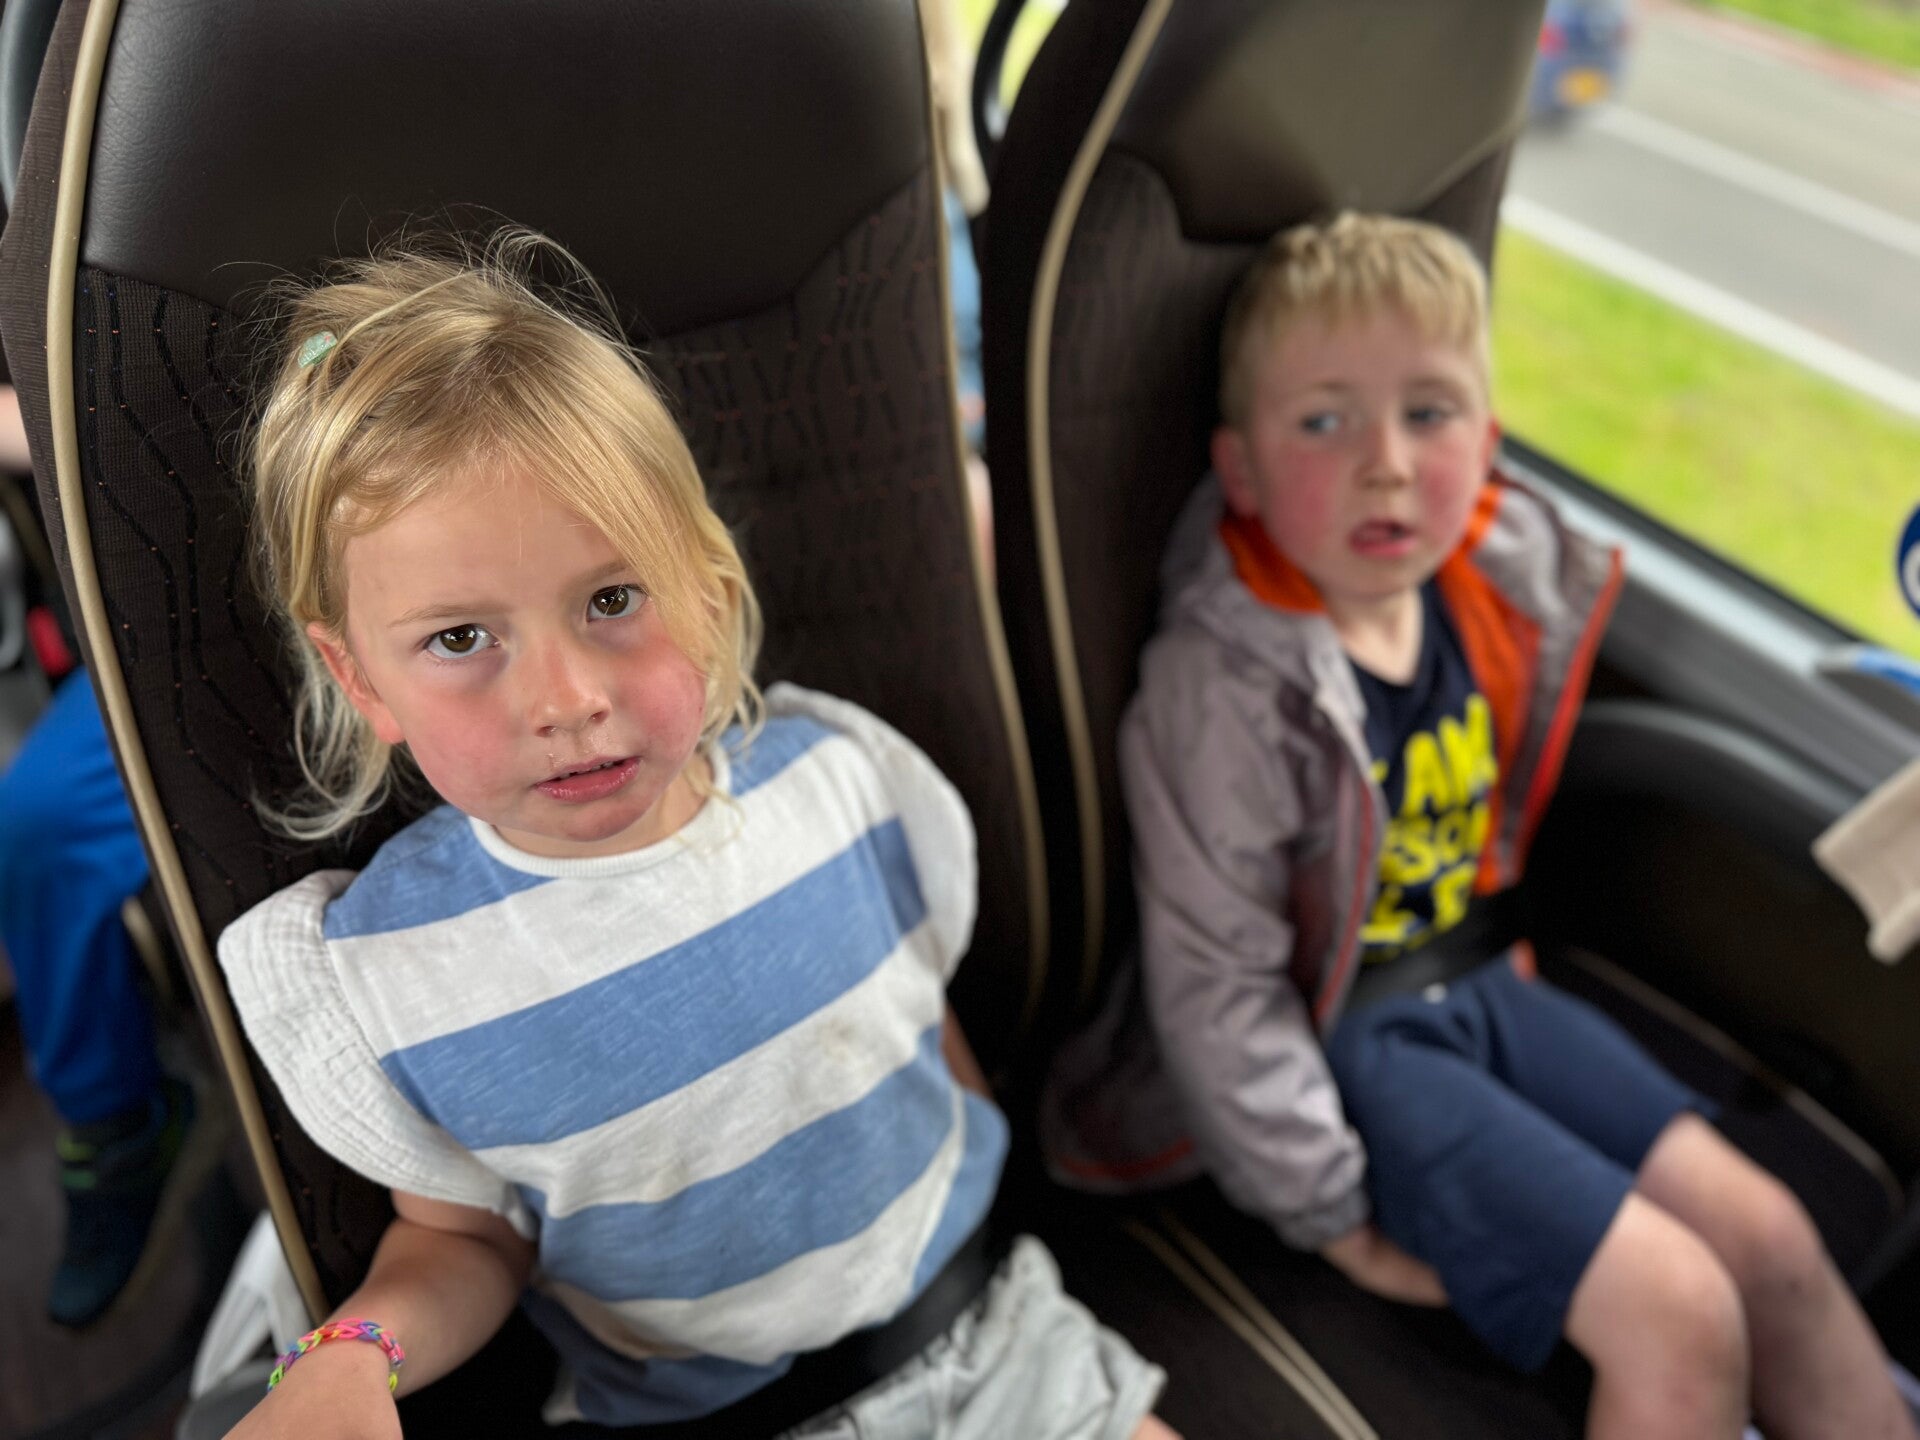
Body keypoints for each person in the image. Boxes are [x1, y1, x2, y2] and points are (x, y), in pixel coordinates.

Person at [217, 233, 1177, 1440]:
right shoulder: (403, 971)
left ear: (709, 592)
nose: (566, 698)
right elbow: (465, 1245)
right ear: (361, 679)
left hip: (996, 1344)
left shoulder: (839, 784)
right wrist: (356, 1356)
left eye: (613, 600)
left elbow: (922, 1033)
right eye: (461, 640)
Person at [1039, 213, 1916, 1440]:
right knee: (1682, 1314)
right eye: (1325, 422)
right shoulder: (1226, 691)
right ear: (1239, 474)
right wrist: (1332, 1214)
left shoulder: (1482, 592)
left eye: (1430, 413)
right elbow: (1218, 990)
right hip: (1346, 1049)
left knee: (1771, 1238)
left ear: (1489, 443)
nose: (1388, 464)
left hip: (1488, 987)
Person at [0, 382, 211, 1329]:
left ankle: (114, 1123)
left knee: (38, 821)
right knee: (35, 818)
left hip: (263, 517)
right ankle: (117, 1122)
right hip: (144, 587)